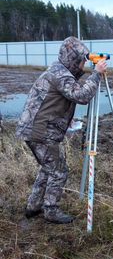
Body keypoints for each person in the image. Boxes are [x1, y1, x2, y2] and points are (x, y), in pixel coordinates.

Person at [16, 36, 107, 224]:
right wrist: (96, 74)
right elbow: (81, 96)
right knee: (59, 171)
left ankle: (33, 206)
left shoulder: (58, 70)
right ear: (73, 60)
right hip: (41, 132)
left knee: (48, 168)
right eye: (82, 60)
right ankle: (51, 210)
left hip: (36, 130)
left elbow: (58, 99)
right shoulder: (61, 75)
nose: (83, 64)